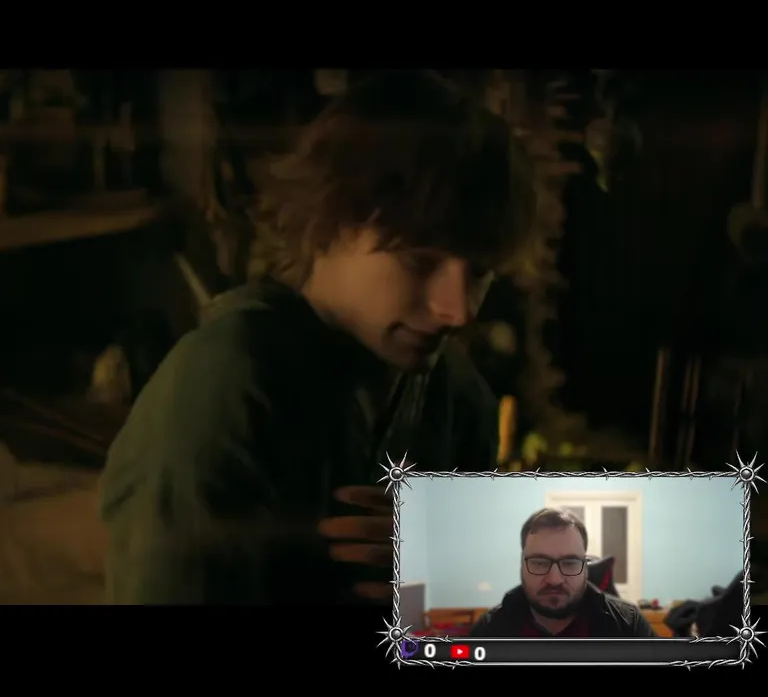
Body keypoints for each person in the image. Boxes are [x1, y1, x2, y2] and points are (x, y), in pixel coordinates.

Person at [98, 70, 538, 604]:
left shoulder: (456, 395)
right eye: (420, 262)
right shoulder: (225, 387)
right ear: (330, 221)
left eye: (481, 273)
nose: (459, 311)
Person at [470, 508, 657, 637]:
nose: (554, 579)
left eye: (570, 563)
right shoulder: (489, 628)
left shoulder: (628, 625)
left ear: (585, 567)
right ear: (522, 564)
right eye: (539, 563)